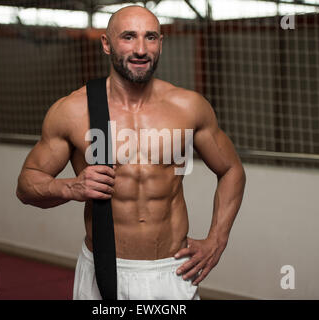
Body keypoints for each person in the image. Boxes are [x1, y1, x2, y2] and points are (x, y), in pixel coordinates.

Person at [16, 5, 246, 300]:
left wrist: (217, 239)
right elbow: (26, 186)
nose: (141, 49)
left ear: (160, 43)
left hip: (172, 270)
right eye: (128, 37)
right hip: (103, 269)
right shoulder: (73, 111)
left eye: (150, 37)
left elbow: (231, 170)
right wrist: (70, 186)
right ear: (106, 44)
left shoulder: (188, 107)